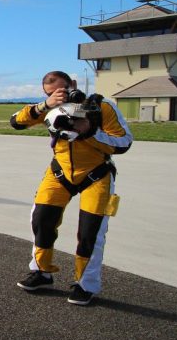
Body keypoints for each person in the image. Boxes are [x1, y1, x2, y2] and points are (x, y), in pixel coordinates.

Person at [11, 71, 133, 305]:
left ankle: (85, 284)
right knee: (41, 220)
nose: (59, 96)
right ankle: (41, 271)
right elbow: (15, 121)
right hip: (60, 172)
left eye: (63, 90)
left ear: (74, 85)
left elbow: (124, 142)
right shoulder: (49, 106)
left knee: (91, 231)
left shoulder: (101, 107)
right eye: (50, 93)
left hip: (96, 174)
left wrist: (88, 132)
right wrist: (45, 105)